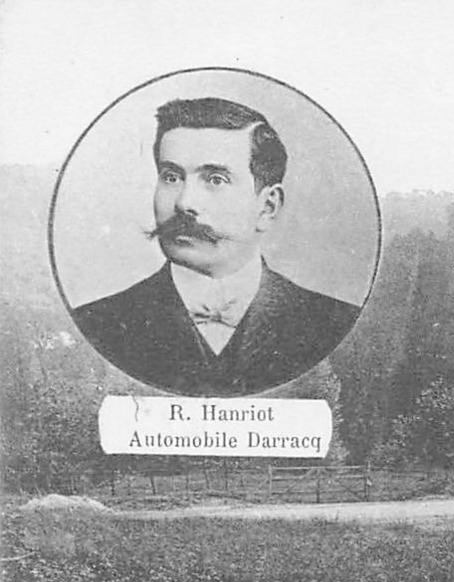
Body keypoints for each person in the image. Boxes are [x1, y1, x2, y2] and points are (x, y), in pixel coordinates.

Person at [70, 97, 362, 396]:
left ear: (267, 207)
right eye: (171, 177)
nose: (184, 202)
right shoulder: (98, 323)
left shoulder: (333, 324)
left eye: (215, 179)